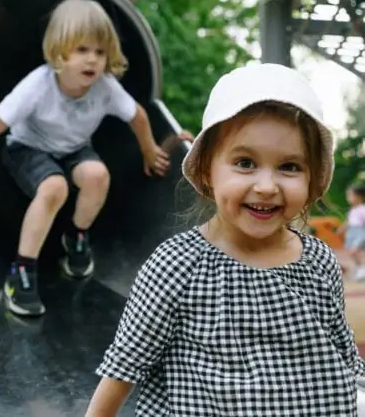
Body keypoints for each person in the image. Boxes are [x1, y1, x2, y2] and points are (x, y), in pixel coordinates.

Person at [85, 63, 365, 416]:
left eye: (290, 167)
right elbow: (124, 367)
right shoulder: (178, 265)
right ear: (206, 171)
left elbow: (342, 354)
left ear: (313, 179)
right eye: (245, 163)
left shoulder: (318, 261)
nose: (266, 186)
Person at [0, 0, 171, 317]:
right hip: (27, 147)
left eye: (100, 51)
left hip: (73, 148)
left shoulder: (105, 87)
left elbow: (138, 116)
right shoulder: (38, 85)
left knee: (97, 176)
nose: (92, 60)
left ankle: (76, 237)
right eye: (82, 50)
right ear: (60, 51)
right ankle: (21, 274)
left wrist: (150, 150)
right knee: (54, 188)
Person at [338, 184, 365, 281]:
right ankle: (360, 268)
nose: (348, 198)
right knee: (351, 252)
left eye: (350, 195)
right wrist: (342, 228)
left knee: (354, 250)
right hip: (351, 232)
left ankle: (361, 268)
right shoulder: (352, 210)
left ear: (359, 197)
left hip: (360, 232)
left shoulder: (362, 209)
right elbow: (349, 221)